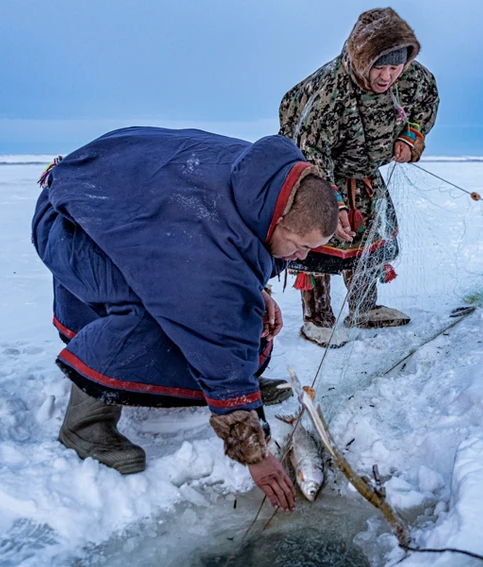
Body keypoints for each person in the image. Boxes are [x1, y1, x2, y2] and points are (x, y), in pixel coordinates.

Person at [31, 126, 340, 512]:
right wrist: (252, 452)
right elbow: (214, 330)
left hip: (125, 206)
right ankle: (84, 425)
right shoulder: (204, 260)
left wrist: (256, 288)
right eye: (298, 246)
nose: (299, 258)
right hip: (75, 221)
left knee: (231, 309)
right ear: (275, 221)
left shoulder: (264, 185)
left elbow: (229, 258)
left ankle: (233, 387)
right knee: (150, 312)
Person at [279, 7, 440, 348]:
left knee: (369, 233)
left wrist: (410, 137)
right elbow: (312, 150)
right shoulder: (328, 89)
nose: (387, 77)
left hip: (365, 171)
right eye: (379, 67)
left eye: (394, 67)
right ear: (361, 60)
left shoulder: (413, 78)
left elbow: (426, 104)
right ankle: (317, 317)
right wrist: (332, 204)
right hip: (316, 169)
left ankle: (364, 308)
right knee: (319, 235)